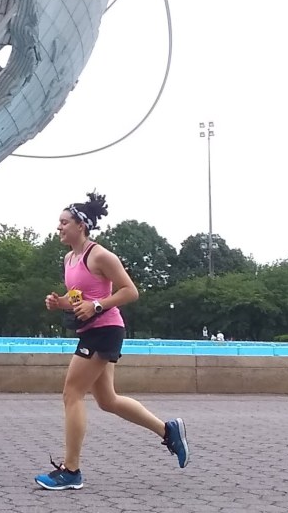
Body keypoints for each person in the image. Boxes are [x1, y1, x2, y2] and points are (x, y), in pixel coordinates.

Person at [34, 191, 189, 491]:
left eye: (64, 222)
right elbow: (81, 295)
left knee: (72, 393)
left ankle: (71, 471)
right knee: (108, 400)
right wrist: (61, 303)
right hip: (91, 329)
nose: (59, 227)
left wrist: (98, 306)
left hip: (104, 329)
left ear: (81, 225)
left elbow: (130, 291)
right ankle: (168, 431)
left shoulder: (101, 255)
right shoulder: (69, 258)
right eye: (59, 222)